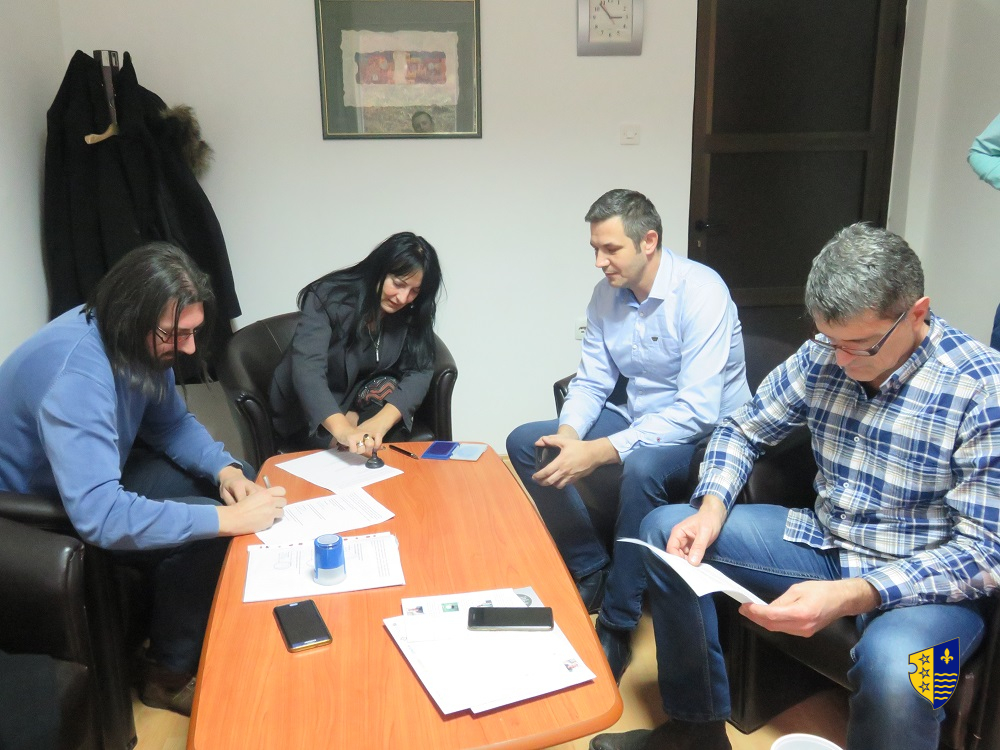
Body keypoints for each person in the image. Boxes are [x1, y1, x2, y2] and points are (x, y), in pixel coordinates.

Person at [591, 223, 1000, 750]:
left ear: (917, 313)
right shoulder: (821, 356)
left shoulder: (982, 388)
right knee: (665, 530)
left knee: (902, 679)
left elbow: (985, 553)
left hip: (929, 585)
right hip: (828, 542)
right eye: (831, 340)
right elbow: (741, 429)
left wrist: (854, 593)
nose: (842, 360)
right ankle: (696, 730)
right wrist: (711, 508)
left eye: (860, 345)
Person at [0, 243, 287, 717]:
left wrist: (226, 470)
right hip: (32, 514)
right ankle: (166, 676)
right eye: (176, 334)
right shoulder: (76, 376)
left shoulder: (132, 339)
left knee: (242, 484)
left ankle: (212, 626)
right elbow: (100, 515)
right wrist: (225, 520)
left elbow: (171, 425)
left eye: (193, 332)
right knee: (216, 527)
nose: (189, 348)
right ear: (133, 314)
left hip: (98, 471)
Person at [506, 189, 750, 683]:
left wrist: (600, 450)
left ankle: (618, 622)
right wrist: (569, 436)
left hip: (702, 434)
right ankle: (591, 569)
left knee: (640, 468)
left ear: (649, 241)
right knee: (528, 443)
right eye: (595, 248)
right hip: (640, 418)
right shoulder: (606, 296)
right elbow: (592, 381)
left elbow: (698, 410)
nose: (599, 261)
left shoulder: (701, 292)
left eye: (610, 249)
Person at [270, 231, 443, 457]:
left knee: (382, 426)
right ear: (379, 270)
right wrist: (343, 429)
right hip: (306, 406)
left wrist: (380, 422)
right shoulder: (328, 297)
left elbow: (420, 370)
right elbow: (308, 371)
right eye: (398, 284)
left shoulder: (410, 311)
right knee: (354, 452)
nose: (403, 298)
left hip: (356, 397)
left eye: (414, 291)